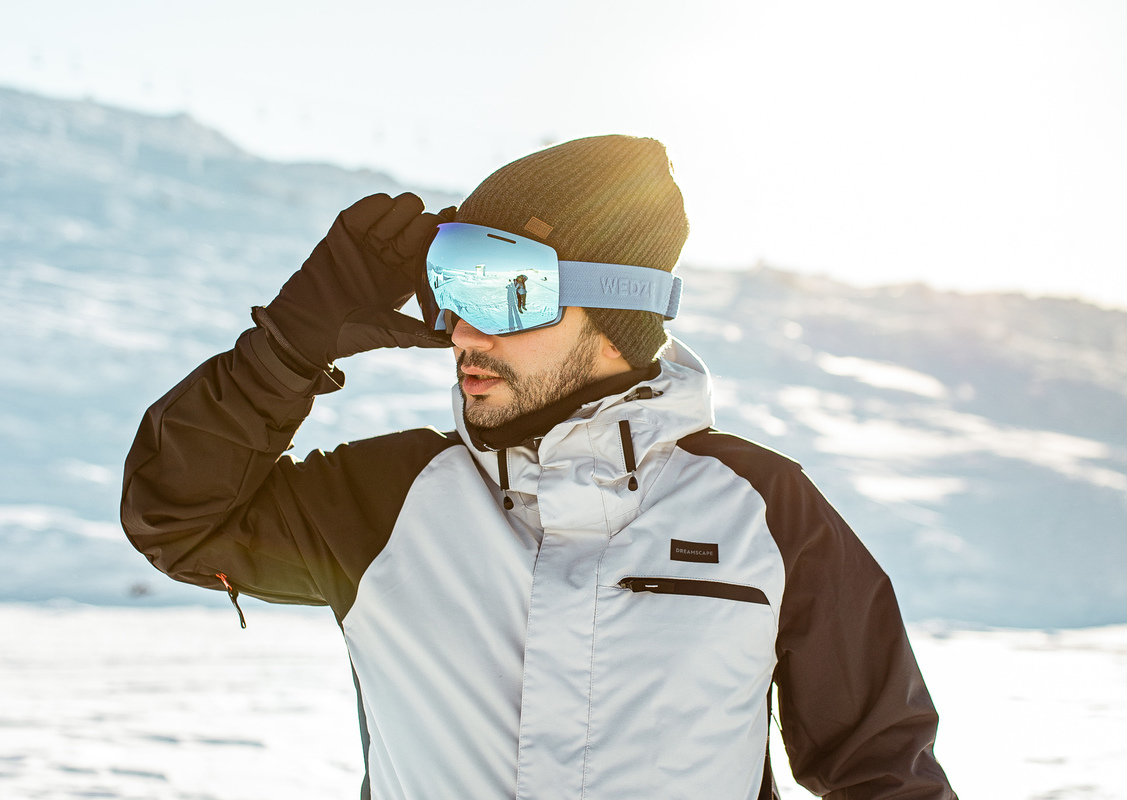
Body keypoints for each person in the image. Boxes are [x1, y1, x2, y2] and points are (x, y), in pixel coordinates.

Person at [121, 135, 956, 799]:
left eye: (499, 289)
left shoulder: (765, 512)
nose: (459, 331)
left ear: (615, 304)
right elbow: (177, 517)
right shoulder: (386, 503)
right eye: (449, 283)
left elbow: (883, 771)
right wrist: (288, 347)